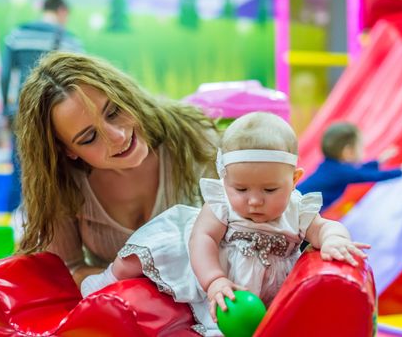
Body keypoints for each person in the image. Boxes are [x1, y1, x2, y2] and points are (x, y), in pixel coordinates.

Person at [79, 112, 370, 336]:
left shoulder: (297, 208)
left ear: (294, 180)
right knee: (139, 259)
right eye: (241, 189)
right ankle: (105, 280)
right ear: (226, 181)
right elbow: (202, 238)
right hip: (205, 262)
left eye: (269, 190)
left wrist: (334, 239)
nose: (254, 201)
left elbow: (324, 227)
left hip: (257, 290)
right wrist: (214, 279)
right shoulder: (222, 204)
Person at [15, 51, 219, 287]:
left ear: (124, 94)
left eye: (114, 111)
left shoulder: (191, 135)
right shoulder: (61, 184)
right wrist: (133, 284)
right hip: (120, 311)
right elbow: (66, 270)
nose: (118, 136)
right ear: (68, 151)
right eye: (90, 137)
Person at [1, 0, 85, 214]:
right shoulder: (69, 40)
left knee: (19, 170)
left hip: (22, 111)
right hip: (54, 116)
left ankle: (13, 226)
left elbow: (5, 75)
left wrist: (5, 111)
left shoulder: (17, 34)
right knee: (54, 170)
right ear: (62, 12)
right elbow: (78, 83)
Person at [297, 122, 402, 211]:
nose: (363, 151)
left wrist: (378, 161)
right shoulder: (342, 172)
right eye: (361, 147)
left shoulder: (331, 166)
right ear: (348, 152)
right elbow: (371, 176)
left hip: (297, 202)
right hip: (298, 208)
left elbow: (359, 170)